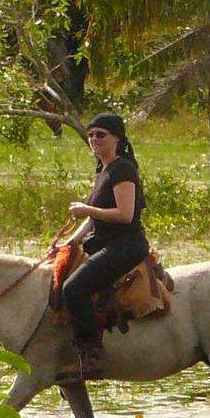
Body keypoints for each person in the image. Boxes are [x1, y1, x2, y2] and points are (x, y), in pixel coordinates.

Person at [58, 112, 149, 384]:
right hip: (107, 244)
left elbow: (125, 214)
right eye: (90, 135)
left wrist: (86, 208)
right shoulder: (104, 170)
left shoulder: (122, 169)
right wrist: (71, 241)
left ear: (117, 138)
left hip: (125, 245)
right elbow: (93, 219)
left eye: (101, 135)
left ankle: (91, 354)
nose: (94, 139)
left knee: (73, 288)